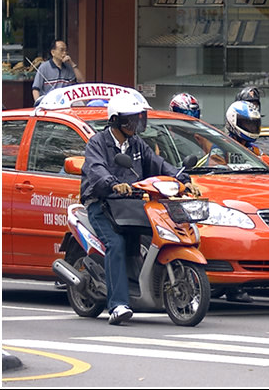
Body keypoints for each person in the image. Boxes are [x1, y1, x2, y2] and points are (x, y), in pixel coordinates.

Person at [80, 92, 201, 324]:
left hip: (131, 205)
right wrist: (114, 185)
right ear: (115, 121)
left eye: (138, 118)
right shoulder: (97, 143)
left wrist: (183, 181)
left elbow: (160, 164)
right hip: (101, 204)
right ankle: (118, 305)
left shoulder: (136, 144)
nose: (137, 123)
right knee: (115, 244)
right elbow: (97, 170)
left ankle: (147, 287)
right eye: (131, 119)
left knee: (151, 238)